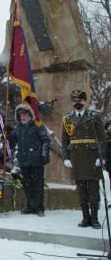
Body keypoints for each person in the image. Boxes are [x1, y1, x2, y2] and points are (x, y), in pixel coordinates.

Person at [62, 90, 106, 229]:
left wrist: (101, 157)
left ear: (85, 101)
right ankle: (85, 218)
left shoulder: (94, 117)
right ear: (71, 102)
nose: (77, 104)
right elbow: (64, 141)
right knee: (81, 190)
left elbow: (102, 139)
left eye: (80, 101)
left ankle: (94, 218)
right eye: (75, 101)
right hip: (76, 158)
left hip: (92, 157)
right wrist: (66, 157)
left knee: (93, 190)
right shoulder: (67, 119)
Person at [8, 104, 50, 217]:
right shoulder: (17, 128)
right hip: (24, 160)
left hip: (36, 160)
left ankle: (39, 207)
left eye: (24, 115)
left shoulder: (37, 125)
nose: (22, 117)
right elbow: (11, 141)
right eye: (20, 115)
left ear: (29, 115)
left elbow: (46, 140)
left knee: (38, 184)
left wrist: (44, 154)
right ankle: (30, 206)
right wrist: (7, 133)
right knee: (27, 184)